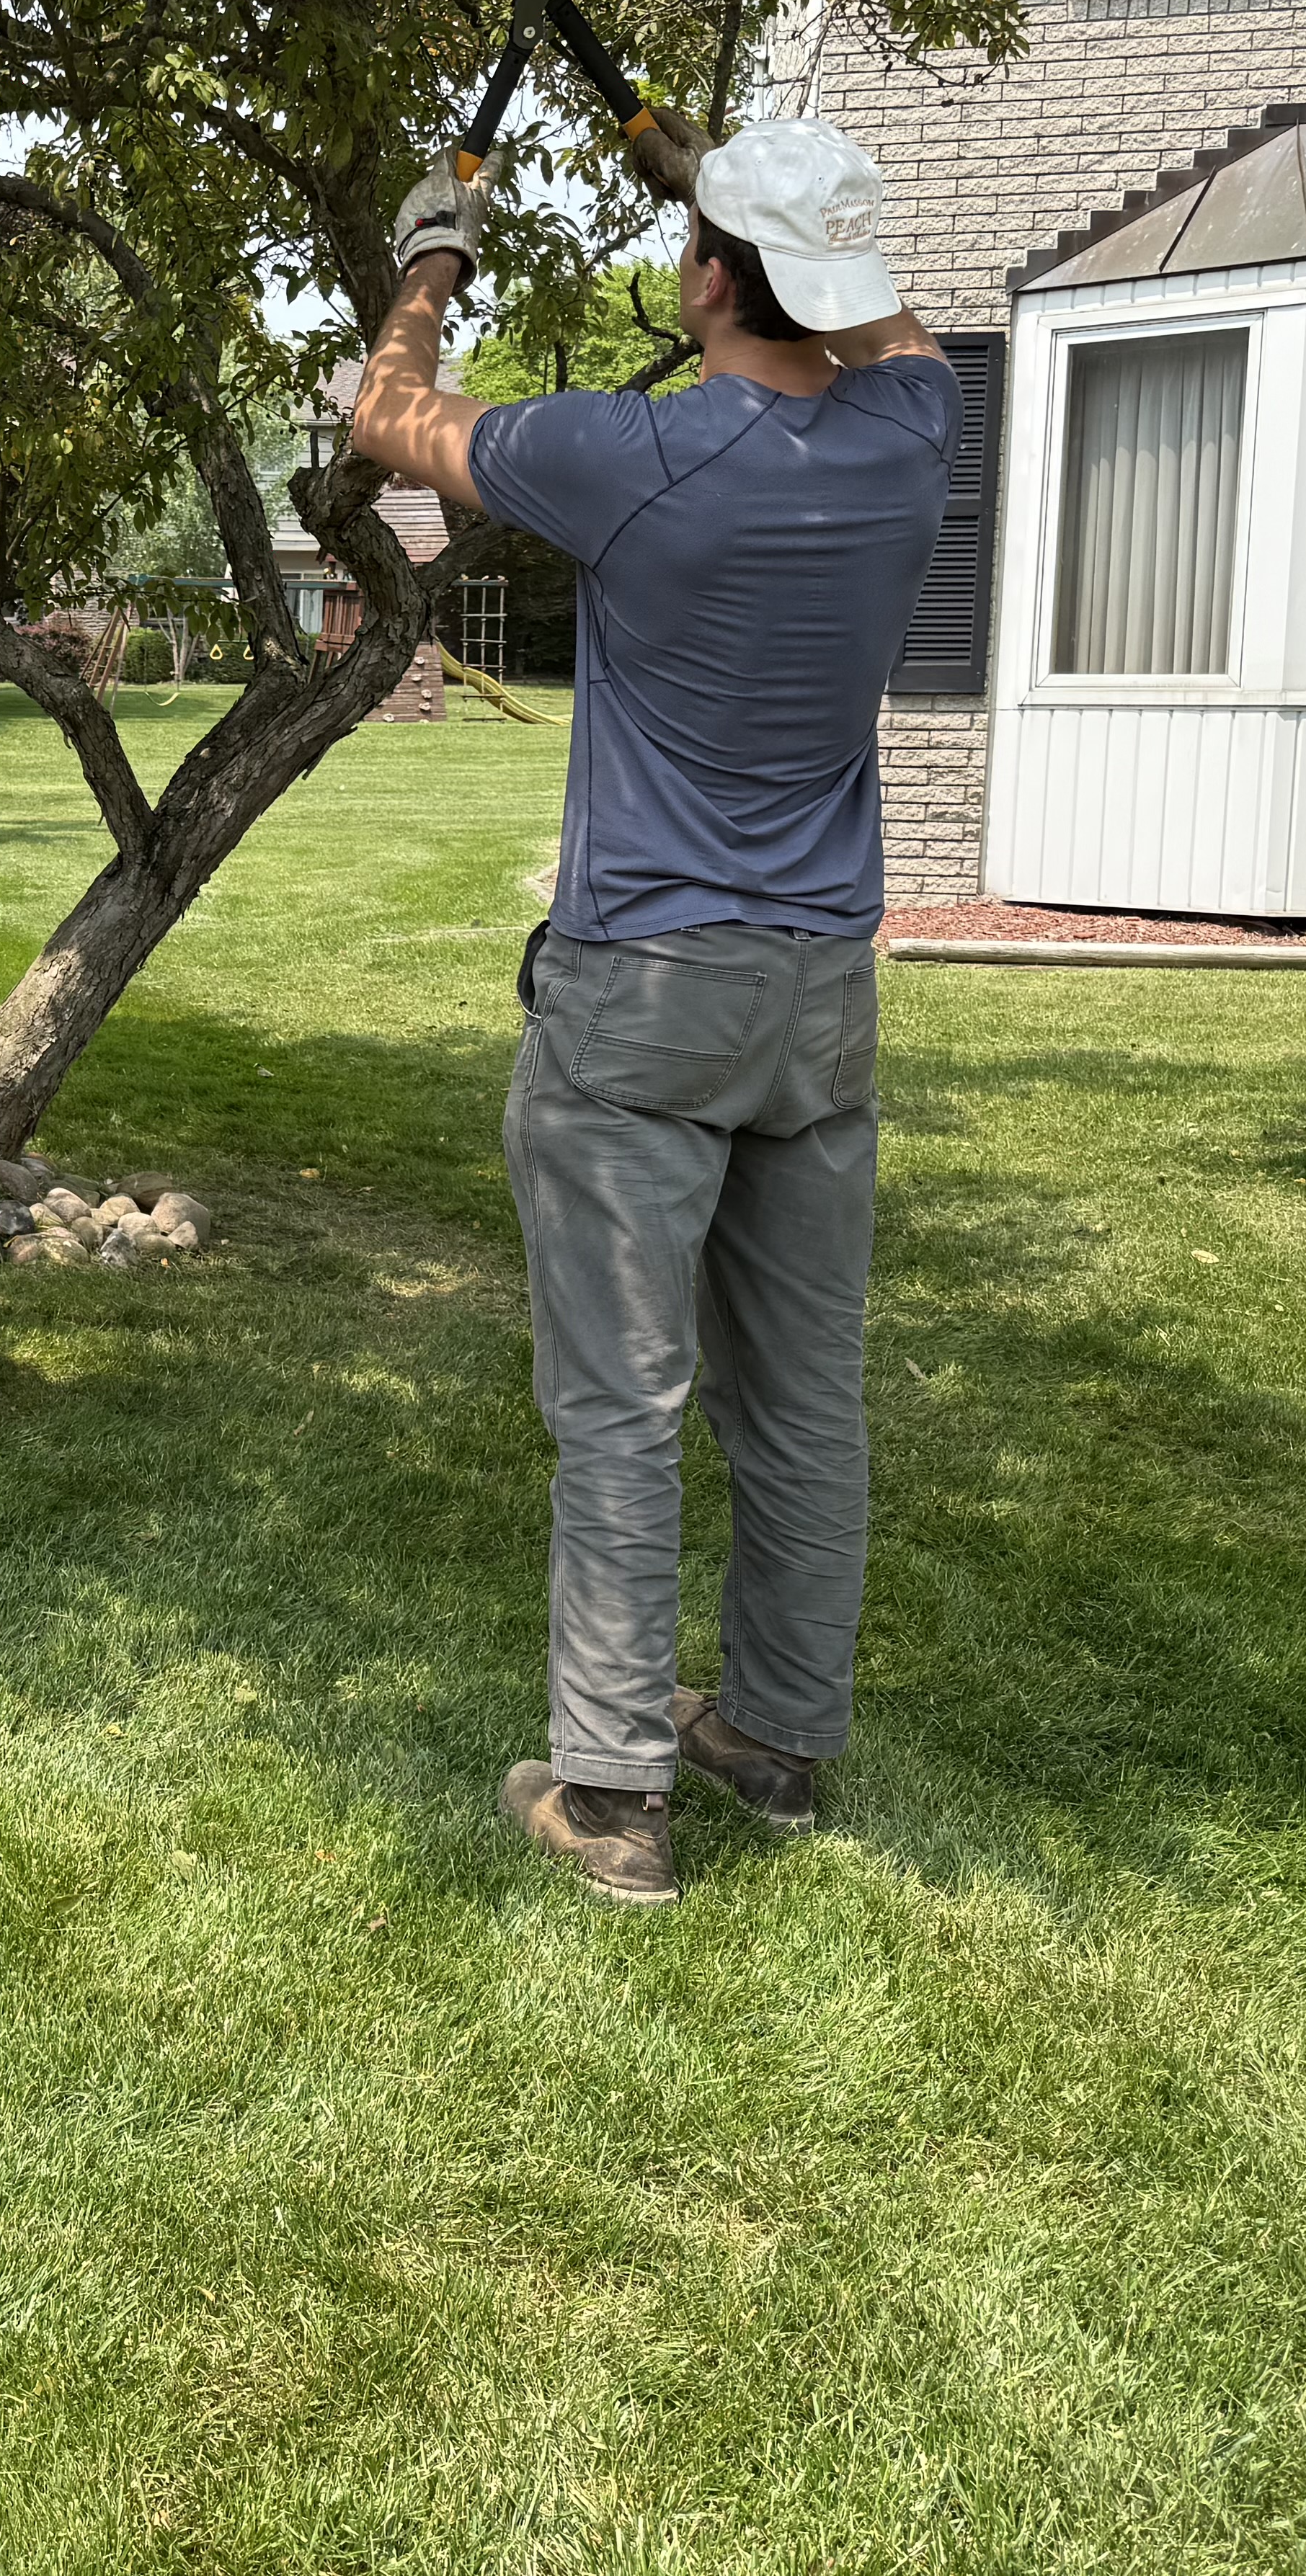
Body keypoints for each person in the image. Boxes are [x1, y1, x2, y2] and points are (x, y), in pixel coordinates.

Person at [347, 112, 951, 1908]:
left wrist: (431, 264)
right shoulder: (918, 435)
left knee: (624, 1397)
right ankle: (772, 1732)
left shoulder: (634, 456)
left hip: (644, 994)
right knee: (803, 1392)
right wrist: (717, 172)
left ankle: (610, 1794)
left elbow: (390, 422)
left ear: (702, 284)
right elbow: (884, 325)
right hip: (818, 997)